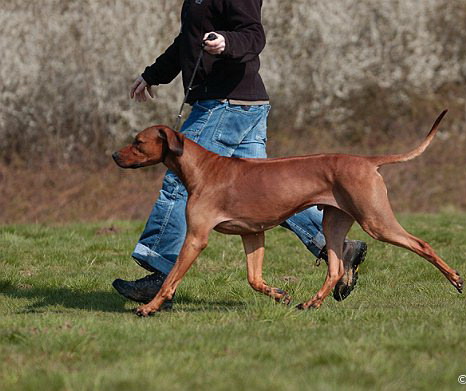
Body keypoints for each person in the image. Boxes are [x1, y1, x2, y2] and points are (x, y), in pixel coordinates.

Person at [112, 0, 367, 308]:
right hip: (239, 105)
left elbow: (253, 34)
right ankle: (334, 246)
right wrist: (154, 74)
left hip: (226, 104)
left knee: (180, 182)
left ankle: (159, 272)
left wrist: (227, 41)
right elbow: (188, 39)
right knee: (267, 196)